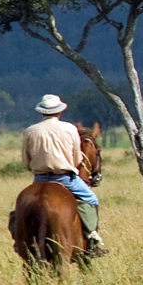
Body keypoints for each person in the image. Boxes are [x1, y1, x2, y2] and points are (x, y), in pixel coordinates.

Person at [18, 94, 109, 257]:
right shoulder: (69, 129)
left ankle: (19, 242)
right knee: (92, 200)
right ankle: (91, 238)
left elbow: (26, 161)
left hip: (39, 179)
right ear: (59, 111)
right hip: (65, 178)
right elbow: (77, 158)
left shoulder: (30, 131)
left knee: (19, 207)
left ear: (41, 112)